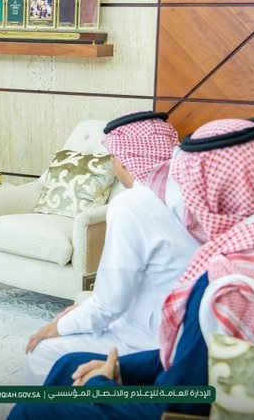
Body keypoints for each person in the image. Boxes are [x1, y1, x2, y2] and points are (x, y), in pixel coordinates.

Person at [9, 117, 254, 419]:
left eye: (191, 189)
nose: (187, 201)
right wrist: (119, 368)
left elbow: (176, 407)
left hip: (186, 407)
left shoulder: (227, 286)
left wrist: (101, 383)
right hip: (204, 377)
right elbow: (193, 360)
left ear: (213, 193)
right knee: (67, 367)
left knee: (34, 409)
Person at [23, 111, 201, 384]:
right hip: (189, 335)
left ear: (124, 160)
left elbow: (109, 304)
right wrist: (83, 308)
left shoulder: (133, 203)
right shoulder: (189, 193)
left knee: (44, 351)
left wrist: (57, 327)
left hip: (150, 340)